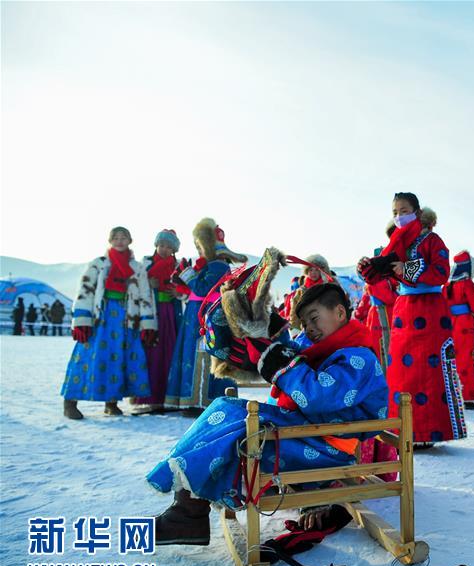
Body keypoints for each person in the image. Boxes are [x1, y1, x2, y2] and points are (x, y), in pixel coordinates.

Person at [147, 283, 387, 545]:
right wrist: (266, 332)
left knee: (239, 429)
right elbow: (292, 354)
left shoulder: (358, 358)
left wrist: (283, 366)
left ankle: (189, 514)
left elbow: (318, 396)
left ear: (340, 313)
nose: (308, 328)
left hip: (327, 449)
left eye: (314, 318)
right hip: (309, 434)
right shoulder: (327, 348)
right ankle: (187, 509)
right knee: (226, 408)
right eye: (304, 323)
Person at [358, 192, 467, 446]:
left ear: (417, 213)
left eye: (404, 211)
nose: (399, 216)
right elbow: (379, 277)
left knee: (427, 372)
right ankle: (403, 430)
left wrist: (406, 268)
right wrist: (367, 268)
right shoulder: (396, 243)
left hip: (430, 311)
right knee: (401, 371)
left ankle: (427, 433)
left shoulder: (433, 240)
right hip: (403, 311)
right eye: (395, 212)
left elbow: (441, 272)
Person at [60, 226, 156, 419]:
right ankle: (70, 403)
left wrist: (147, 323)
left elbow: (146, 295)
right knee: (87, 355)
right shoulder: (99, 264)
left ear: (130, 241)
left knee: (120, 358)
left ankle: (111, 403)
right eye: (116, 238)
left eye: (123, 237)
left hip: (127, 320)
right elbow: (85, 290)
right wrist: (82, 320)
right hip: (100, 318)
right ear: (110, 241)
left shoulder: (137, 268)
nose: (120, 241)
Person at [165, 218, 246, 411]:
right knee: (194, 354)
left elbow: (202, 289)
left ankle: (201, 401)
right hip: (197, 313)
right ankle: (194, 400)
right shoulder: (211, 265)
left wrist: (187, 274)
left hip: (206, 315)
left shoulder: (218, 265)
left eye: (200, 247)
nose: (199, 251)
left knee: (202, 354)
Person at [132, 230, 183, 415]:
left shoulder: (179, 267)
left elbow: (188, 289)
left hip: (170, 314)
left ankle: (169, 399)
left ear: (174, 250)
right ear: (156, 245)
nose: (164, 249)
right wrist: (148, 283)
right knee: (151, 354)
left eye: (169, 247)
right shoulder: (145, 264)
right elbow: (133, 285)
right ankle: (148, 399)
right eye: (162, 245)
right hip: (150, 315)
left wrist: (178, 293)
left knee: (169, 354)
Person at [444, 251, 474, 409]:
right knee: (467, 359)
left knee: (453, 358)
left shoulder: (447, 286)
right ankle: (467, 395)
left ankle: (453, 393)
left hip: (451, 324)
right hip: (466, 325)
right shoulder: (466, 283)